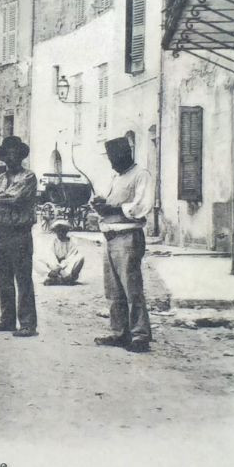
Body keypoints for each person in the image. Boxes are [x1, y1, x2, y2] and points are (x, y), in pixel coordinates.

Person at [91, 137, 153, 352]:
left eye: (115, 158)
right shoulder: (115, 177)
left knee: (131, 288)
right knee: (113, 289)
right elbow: (110, 201)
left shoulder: (141, 175)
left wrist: (114, 210)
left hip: (128, 237)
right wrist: (99, 203)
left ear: (127, 154)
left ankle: (140, 335)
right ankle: (120, 332)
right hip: (110, 238)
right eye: (110, 158)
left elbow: (142, 206)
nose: (112, 163)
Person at [0, 135, 39, 337]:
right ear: (3, 157)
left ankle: (27, 323)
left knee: (23, 278)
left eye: (15, 153)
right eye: (7, 154)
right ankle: (7, 319)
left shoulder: (28, 177)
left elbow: (17, 198)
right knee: (2, 277)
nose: (11, 157)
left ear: (21, 156)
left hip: (19, 232)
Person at [37, 218, 86, 285]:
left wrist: (61, 268)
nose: (60, 233)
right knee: (37, 259)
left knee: (80, 257)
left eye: (63, 231)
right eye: (58, 231)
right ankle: (56, 278)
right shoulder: (53, 242)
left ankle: (62, 279)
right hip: (54, 268)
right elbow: (51, 256)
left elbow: (71, 257)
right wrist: (56, 268)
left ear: (66, 231)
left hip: (67, 268)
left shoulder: (72, 242)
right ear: (55, 232)